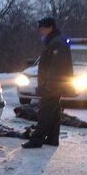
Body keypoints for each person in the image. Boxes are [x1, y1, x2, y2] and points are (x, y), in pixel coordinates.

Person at [22, 17, 74, 148]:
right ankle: (52, 138)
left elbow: (56, 68)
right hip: (55, 84)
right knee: (54, 111)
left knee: (44, 111)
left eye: (43, 29)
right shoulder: (55, 40)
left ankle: (36, 140)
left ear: (50, 27)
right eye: (41, 29)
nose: (41, 31)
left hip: (53, 84)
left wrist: (47, 86)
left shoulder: (56, 43)